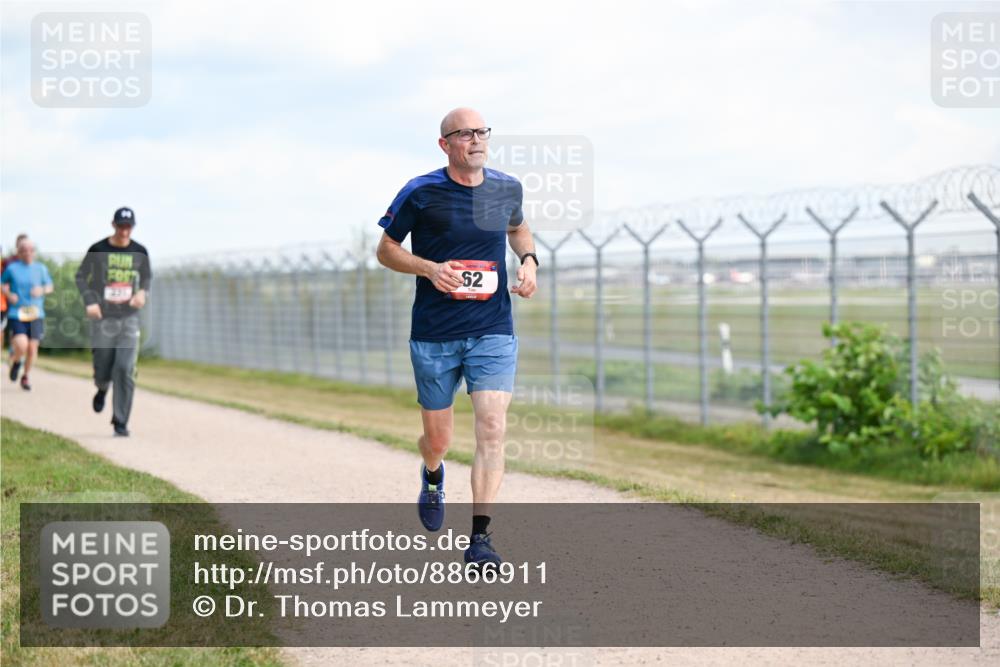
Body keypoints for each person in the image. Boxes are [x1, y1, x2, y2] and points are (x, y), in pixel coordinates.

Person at [375, 108, 538, 567]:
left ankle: (481, 540)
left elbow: (518, 226)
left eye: (482, 132)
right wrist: (430, 268)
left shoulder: (506, 187)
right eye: (464, 134)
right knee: (439, 438)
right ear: (445, 144)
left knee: (491, 426)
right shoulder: (421, 191)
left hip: (492, 329)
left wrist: (528, 261)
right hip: (434, 333)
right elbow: (386, 249)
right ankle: (432, 474)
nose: (476, 140)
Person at [74, 207, 152, 437]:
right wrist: (90, 301)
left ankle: (120, 421)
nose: (125, 231)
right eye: (121, 226)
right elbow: (80, 276)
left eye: (129, 227)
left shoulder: (140, 251)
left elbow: (147, 277)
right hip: (103, 318)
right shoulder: (98, 249)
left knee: (125, 368)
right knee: (103, 368)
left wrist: (142, 293)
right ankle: (101, 388)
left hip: (128, 318)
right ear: (113, 225)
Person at [1, 238, 54, 391]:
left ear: (34, 252)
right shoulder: (12, 268)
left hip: (36, 313)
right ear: (19, 252)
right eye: (24, 250)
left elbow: (49, 286)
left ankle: (26, 376)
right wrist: (9, 294)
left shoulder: (41, 268)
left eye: (31, 250)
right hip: (17, 312)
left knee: (32, 348)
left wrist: (42, 290)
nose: (28, 253)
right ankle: (17, 362)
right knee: (22, 344)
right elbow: (2, 283)